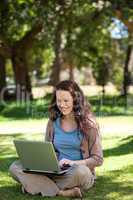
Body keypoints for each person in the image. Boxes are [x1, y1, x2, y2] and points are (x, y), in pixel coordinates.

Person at [9, 80, 103, 198]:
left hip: (76, 172)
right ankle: (61, 192)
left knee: (82, 172)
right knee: (14, 167)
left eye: (66, 100)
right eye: (59, 101)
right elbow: (47, 150)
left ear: (76, 100)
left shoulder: (90, 125)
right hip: (55, 171)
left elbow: (98, 159)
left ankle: (35, 186)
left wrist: (73, 163)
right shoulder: (53, 122)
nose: (62, 105)